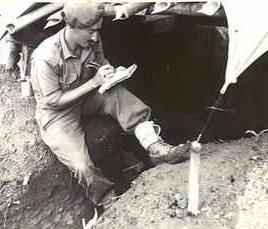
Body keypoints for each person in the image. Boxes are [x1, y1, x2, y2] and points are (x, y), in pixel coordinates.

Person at [30, 2, 189, 208]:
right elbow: (52, 100)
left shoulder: (91, 39)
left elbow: (101, 62)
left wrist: (110, 72)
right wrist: (94, 82)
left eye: (97, 31)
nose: (95, 37)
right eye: (90, 32)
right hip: (58, 114)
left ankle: (155, 147)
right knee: (81, 165)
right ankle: (108, 200)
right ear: (71, 27)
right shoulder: (45, 57)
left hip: (88, 99)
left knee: (118, 95)